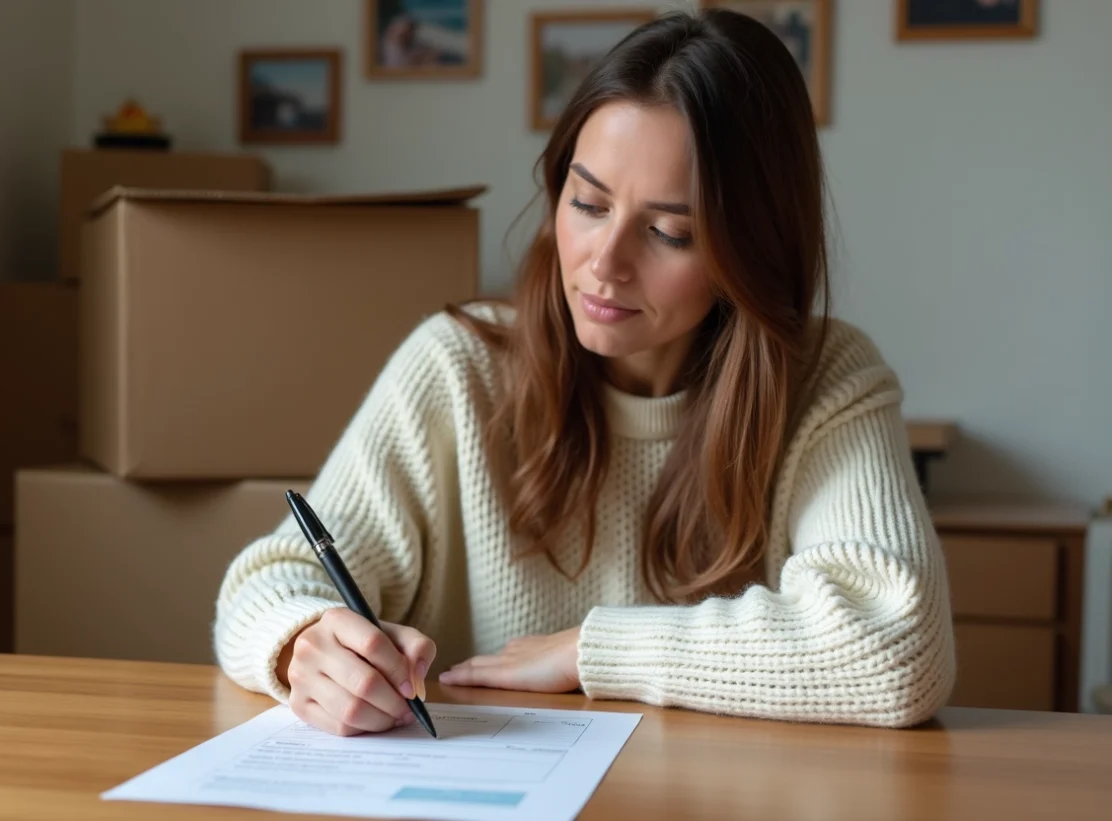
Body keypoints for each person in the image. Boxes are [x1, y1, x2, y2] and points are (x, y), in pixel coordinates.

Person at [213, 8, 956, 735]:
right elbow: (268, 581)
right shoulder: (458, 366)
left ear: (752, 252)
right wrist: (303, 643)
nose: (604, 263)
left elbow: (894, 644)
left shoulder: (825, 379)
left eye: (669, 232)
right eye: (588, 202)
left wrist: (588, 650)